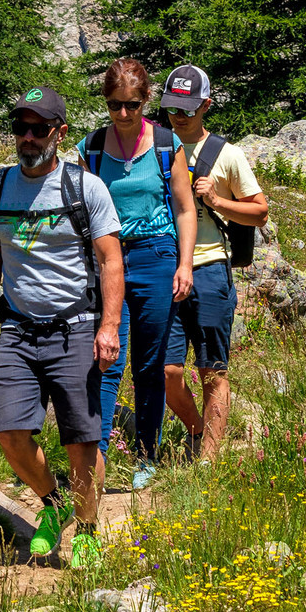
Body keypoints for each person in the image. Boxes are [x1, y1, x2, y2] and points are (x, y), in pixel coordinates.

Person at [0, 87, 124, 569]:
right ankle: (54, 505)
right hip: (18, 328)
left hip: (77, 326)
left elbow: (110, 258)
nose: (28, 138)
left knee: (81, 441)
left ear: (59, 133)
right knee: (10, 433)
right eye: (21, 127)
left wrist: (110, 326)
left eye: (40, 129)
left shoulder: (86, 188)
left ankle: (90, 529)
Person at [86, 58, 198, 492]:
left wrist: (184, 264)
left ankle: (147, 455)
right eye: (115, 105)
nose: (123, 114)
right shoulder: (92, 147)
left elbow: (185, 208)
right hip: (108, 258)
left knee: (150, 364)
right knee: (106, 356)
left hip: (156, 255)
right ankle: (95, 454)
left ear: (145, 100)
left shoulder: (167, 143)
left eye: (131, 105)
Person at [159, 63, 268, 465]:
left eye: (187, 108)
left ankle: (207, 462)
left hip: (209, 270)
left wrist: (218, 200)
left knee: (212, 370)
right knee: (168, 371)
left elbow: (260, 212)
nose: (179, 116)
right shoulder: (156, 147)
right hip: (164, 269)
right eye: (172, 107)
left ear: (206, 105)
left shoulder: (227, 155)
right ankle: (198, 430)